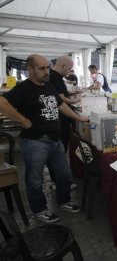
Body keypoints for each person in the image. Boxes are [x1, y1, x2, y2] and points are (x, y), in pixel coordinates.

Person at [0, 54, 89, 223]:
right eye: (41, 68)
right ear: (30, 70)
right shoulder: (24, 88)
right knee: (35, 179)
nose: (46, 71)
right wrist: (23, 120)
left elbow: (61, 105)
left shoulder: (48, 86)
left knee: (64, 175)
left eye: (47, 67)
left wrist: (79, 118)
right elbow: (2, 103)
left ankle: (64, 201)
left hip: (55, 140)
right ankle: (39, 210)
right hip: (35, 141)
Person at [49, 56, 81, 152]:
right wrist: (76, 100)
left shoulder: (55, 76)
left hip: (58, 117)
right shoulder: (55, 77)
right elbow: (61, 98)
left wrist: (73, 93)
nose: (69, 72)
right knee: (61, 145)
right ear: (63, 66)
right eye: (69, 68)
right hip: (60, 118)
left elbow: (59, 92)